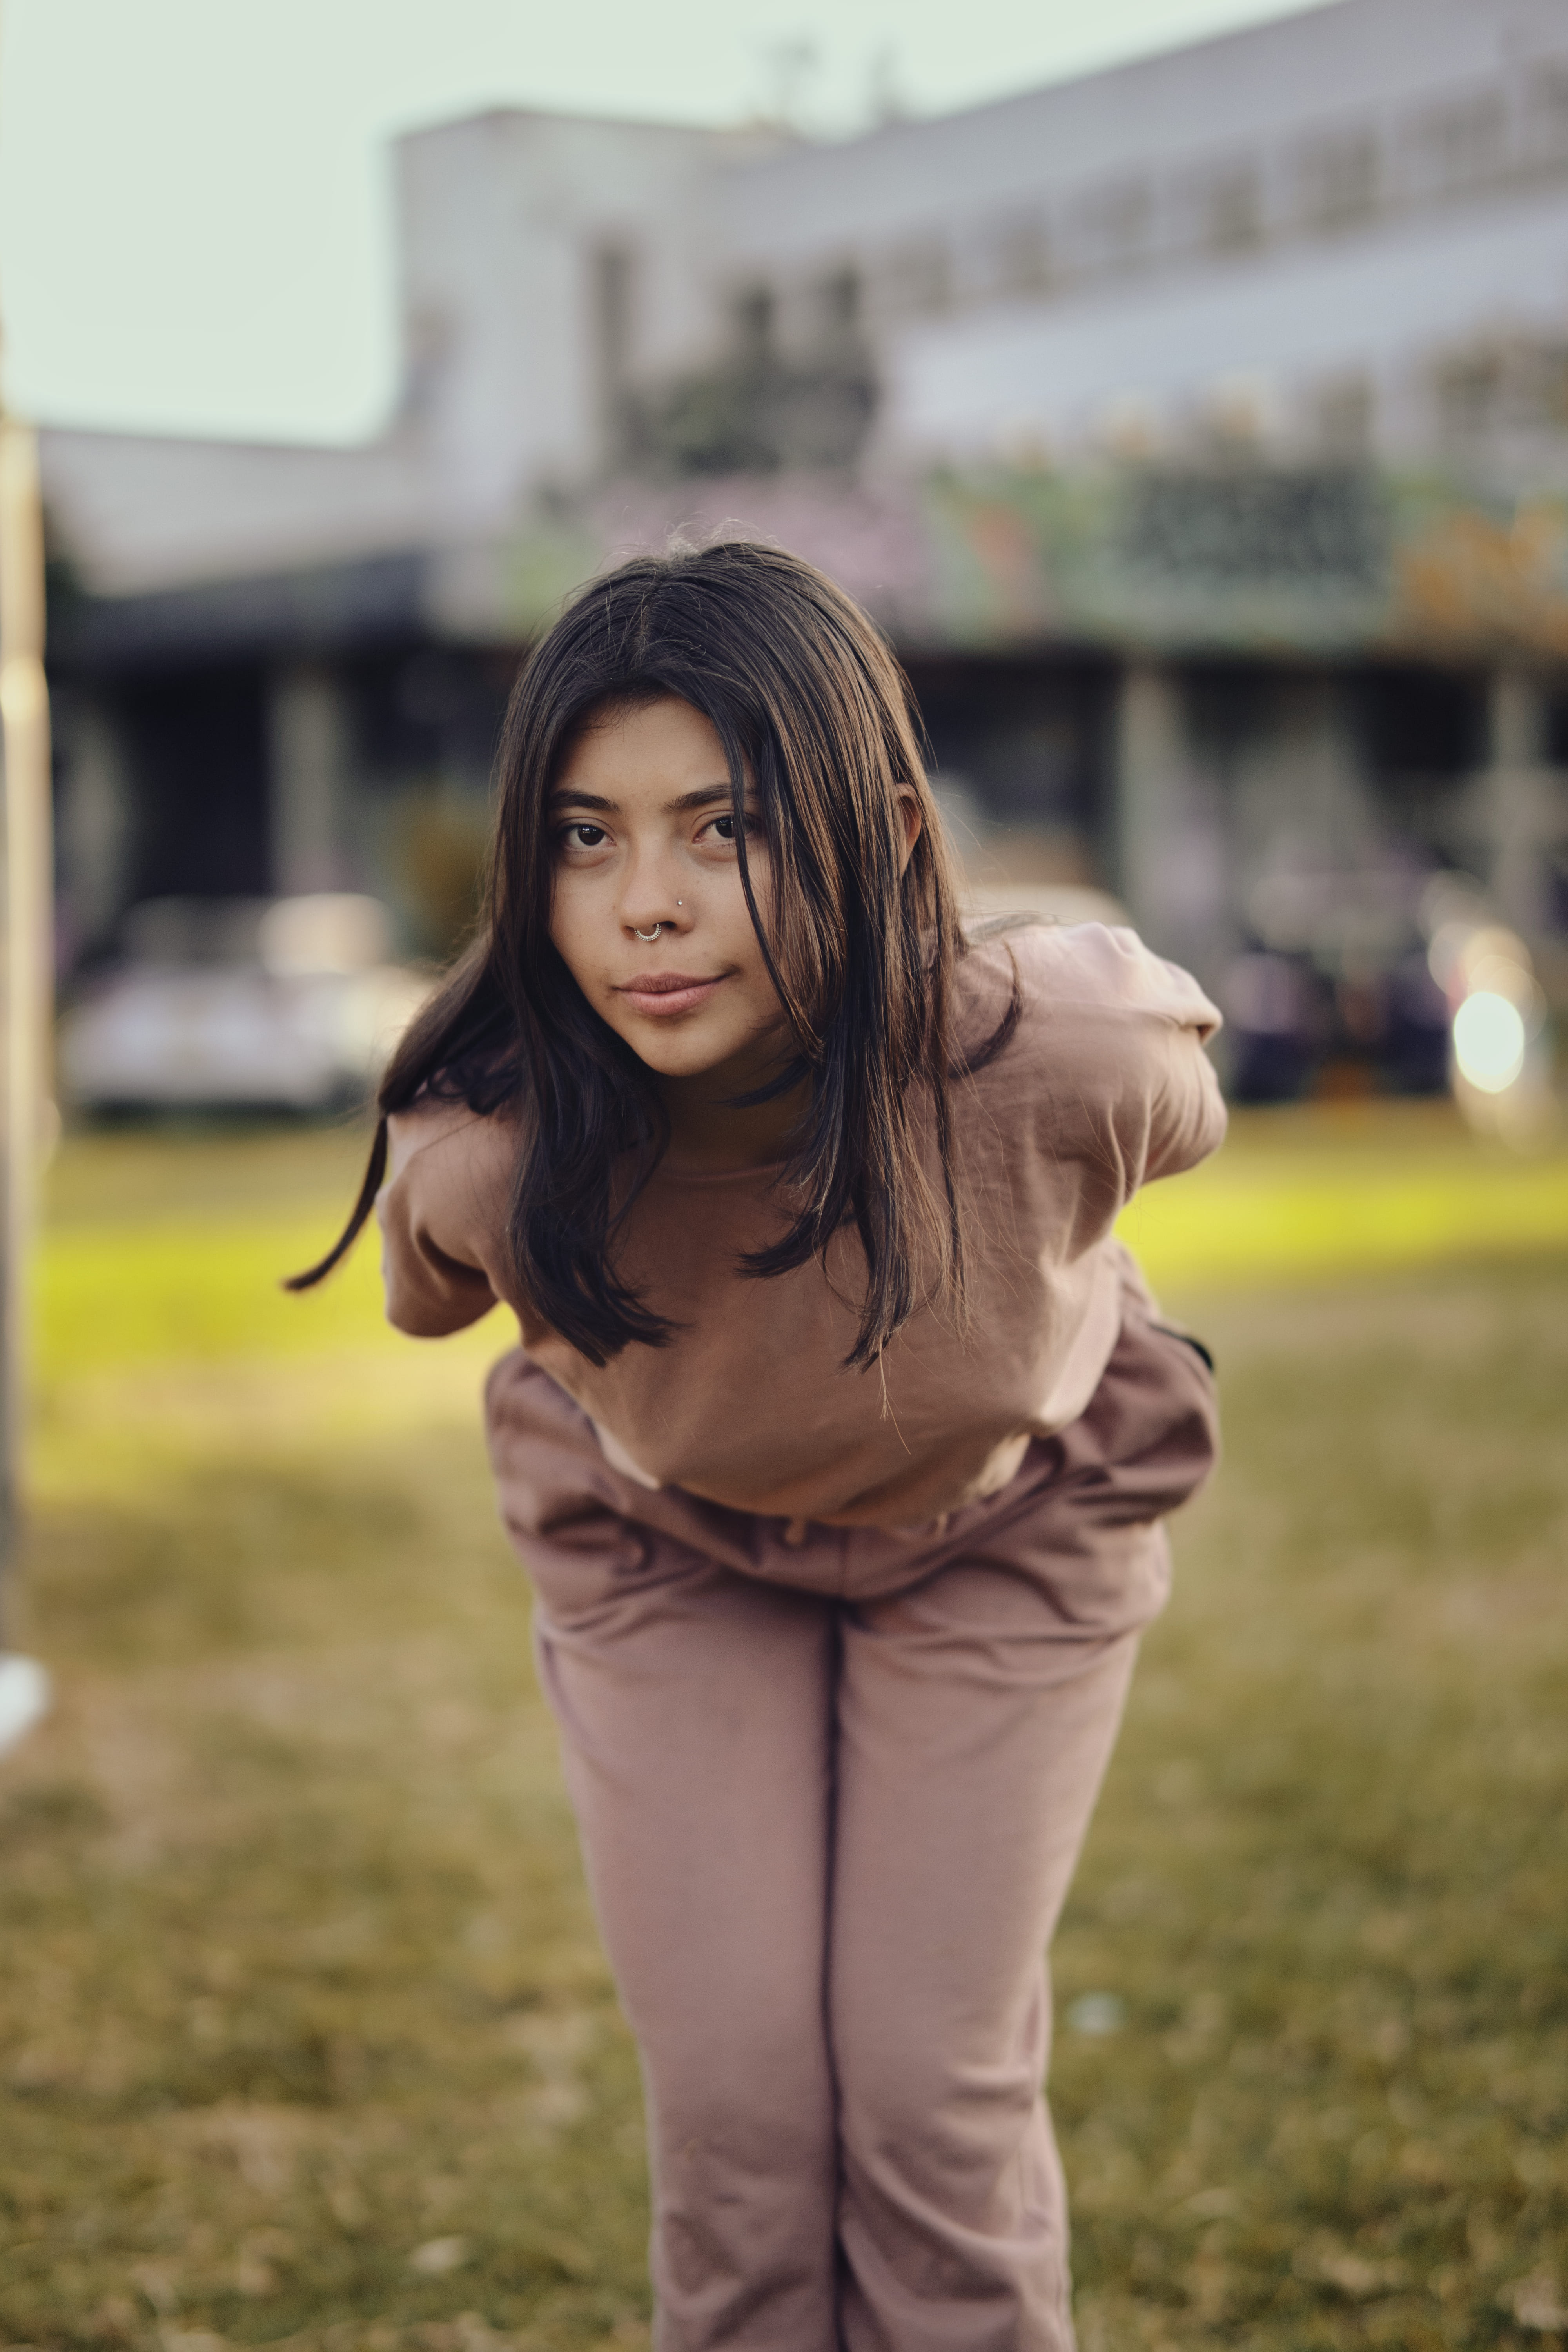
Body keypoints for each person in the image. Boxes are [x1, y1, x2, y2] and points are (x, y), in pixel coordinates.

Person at [293, 540, 1226, 2352]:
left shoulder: (1071, 1056)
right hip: (667, 1552)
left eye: (722, 830)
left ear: (880, 831)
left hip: (1011, 1533)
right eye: (586, 834)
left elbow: (1169, 1117)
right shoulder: (498, 1168)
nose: (646, 902)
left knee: (925, 2089)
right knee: (735, 2111)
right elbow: (422, 1296)